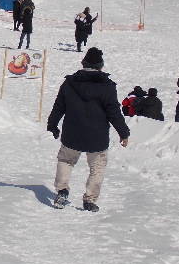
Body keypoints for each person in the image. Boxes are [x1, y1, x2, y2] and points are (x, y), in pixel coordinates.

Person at [47, 47, 130, 212]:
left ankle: (62, 190)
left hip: (72, 133)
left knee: (66, 160)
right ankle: (90, 199)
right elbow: (113, 111)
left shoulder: (69, 83)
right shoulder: (107, 86)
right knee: (97, 167)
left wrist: (52, 124)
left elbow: (59, 106)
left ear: (83, 62)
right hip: (96, 136)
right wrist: (123, 132)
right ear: (101, 66)